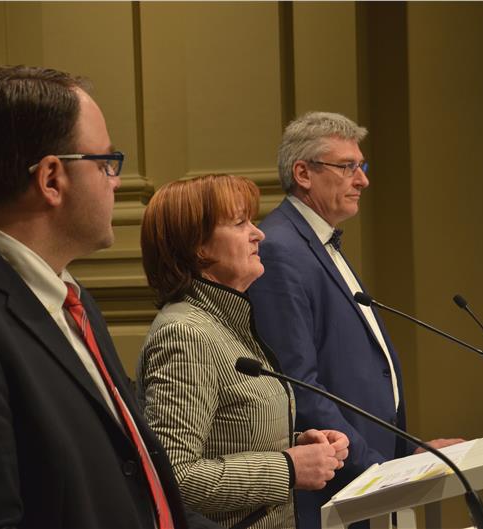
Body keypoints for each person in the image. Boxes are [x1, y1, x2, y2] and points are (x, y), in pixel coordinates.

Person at [0, 66, 220, 529]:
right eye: (106, 163)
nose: (116, 182)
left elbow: (142, 489)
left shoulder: (70, 301)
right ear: (51, 179)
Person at [248, 112, 462, 529]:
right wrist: (379, 468)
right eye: (348, 167)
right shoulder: (280, 249)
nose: (362, 180)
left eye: (361, 166)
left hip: (362, 474)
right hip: (333, 489)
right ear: (303, 174)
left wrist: (405, 454)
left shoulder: (317, 240)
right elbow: (300, 386)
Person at [136, 174, 350, 529]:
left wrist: (301, 446)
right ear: (198, 247)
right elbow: (174, 476)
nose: (258, 234)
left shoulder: (228, 322)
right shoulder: (185, 334)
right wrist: (288, 467)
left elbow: (228, 435)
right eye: (239, 223)